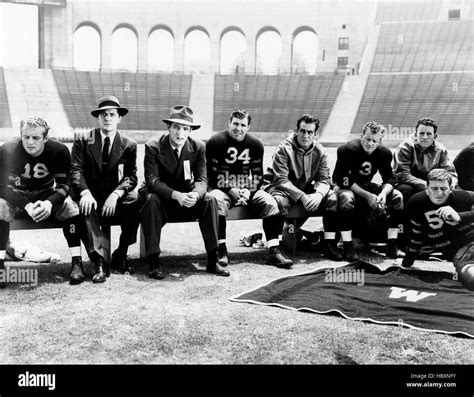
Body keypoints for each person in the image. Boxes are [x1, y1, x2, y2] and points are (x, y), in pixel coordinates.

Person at [139, 105, 229, 279]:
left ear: (190, 130)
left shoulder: (198, 147)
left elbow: (202, 180)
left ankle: (212, 259)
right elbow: (152, 181)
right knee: (151, 200)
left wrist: (195, 194)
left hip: (187, 199)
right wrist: (176, 195)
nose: (180, 133)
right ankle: (154, 262)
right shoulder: (153, 146)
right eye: (176, 127)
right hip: (164, 200)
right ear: (169, 128)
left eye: (185, 128)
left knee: (210, 199)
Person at [0, 117, 83, 285]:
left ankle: (77, 262)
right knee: (0, 207)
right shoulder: (8, 150)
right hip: (18, 194)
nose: (30, 142)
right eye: (26, 137)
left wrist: (49, 203)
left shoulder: (58, 150)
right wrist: (27, 204)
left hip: (46, 194)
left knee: (70, 207)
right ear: (20, 135)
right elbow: (2, 187)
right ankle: (0, 264)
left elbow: (65, 185)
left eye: (36, 138)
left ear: (45, 138)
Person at [206, 109, 292, 269]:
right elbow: (211, 174)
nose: (238, 128)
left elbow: (258, 176)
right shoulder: (215, 142)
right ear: (229, 123)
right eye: (235, 124)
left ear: (248, 127)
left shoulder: (255, 145)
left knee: (270, 202)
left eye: (242, 125)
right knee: (216, 200)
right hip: (222, 187)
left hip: (246, 188)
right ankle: (221, 249)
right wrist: (231, 189)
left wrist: (249, 190)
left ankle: (274, 250)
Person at [70, 96, 141, 283]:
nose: (107, 118)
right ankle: (98, 261)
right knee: (84, 206)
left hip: (113, 196)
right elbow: (76, 170)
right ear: (98, 118)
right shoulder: (83, 138)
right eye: (103, 114)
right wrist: (85, 193)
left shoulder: (129, 144)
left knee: (135, 199)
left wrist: (116, 194)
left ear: (119, 118)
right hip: (90, 193)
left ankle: (121, 252)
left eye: (111, 114)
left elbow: (131, 177)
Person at [264, 114, 340, 260]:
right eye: (302, 131)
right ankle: (276, 248)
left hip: (302, 188)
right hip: (278, 187)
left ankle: (329, 244)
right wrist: (303, 197)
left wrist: (318, 195)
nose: (305, 135)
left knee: (332, 198)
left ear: (315, 134)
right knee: (280, 201)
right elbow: (281, 180)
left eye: (310, 132)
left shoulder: (320, 151)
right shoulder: (284, 149)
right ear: (296, 131)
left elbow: (324, 180)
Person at [332, 121, 404, 259]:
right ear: (361, 136)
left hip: (366, 185)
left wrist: (383, 193)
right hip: (344, 186)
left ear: (380, 141)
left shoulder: (384, 153)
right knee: (347, 198)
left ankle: (393, 244)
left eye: (374, 141)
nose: (370, 143)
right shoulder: (347, 150)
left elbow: (390, 178)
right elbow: (342, 179)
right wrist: (367, 195)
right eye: (368, 139)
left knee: (397, 197)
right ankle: (347, 245)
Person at [402, 169, 474, 291]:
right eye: (434, 188)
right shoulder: (416, 203)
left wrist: (460, 216)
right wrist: (407, 262)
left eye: (443, 188)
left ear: (451, 188)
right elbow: (417, 235)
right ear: (426, 188)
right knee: (471, 278)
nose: (439, 193)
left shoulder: (463, 197)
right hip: (461, 252)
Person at [393, 118, 457, 203]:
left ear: (435, 136)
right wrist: (427, 185)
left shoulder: (441, 150)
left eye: (429, 134)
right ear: (416, 134)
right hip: (410, 184)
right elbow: (402, 174)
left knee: (455, 193)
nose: (425, 137)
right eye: (422, 133)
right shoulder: (405, 147)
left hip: (434, 185)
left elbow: (450, 173)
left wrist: (451, 185)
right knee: (404, 189)